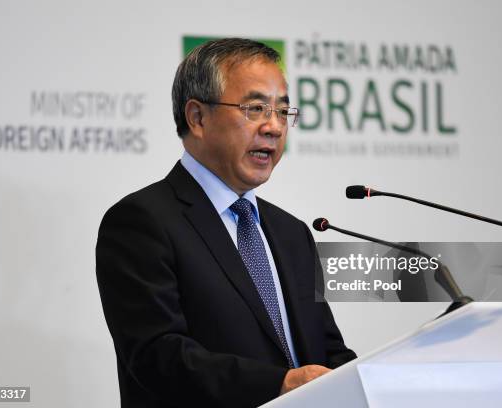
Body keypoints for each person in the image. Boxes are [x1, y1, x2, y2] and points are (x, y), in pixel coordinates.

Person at [96, 38, 356, 408]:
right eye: (255, 108)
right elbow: (158, 356)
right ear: (197, 118)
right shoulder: (142, 222)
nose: (275, 127)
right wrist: (278, 384)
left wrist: (385, 380)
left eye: (283, 112)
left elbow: (326, 349)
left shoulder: (291, 232)